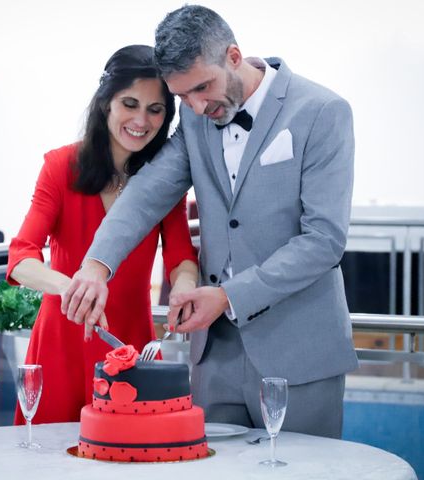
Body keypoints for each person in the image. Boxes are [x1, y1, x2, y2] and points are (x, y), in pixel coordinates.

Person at [61, 6, 358, 439]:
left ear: (234, 56)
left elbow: (324, 240)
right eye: (184, 97)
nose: (198, 106)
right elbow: (146, 194)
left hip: (300, 352)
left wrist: (228, 295)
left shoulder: (322, 111)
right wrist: (95, 265)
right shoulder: (196, 120)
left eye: (203, 87)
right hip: (214, 356)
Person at [7, 44, 198, 425]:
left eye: (155, 109)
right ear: (105, 103)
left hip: (133, 345)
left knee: (137, 457)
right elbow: (21, 257)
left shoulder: (164, 181)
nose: (141, 120)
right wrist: (72, 289)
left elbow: (181, 259)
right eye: (130, 104)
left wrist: (185, 286)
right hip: (61, 342)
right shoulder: (60, 166)